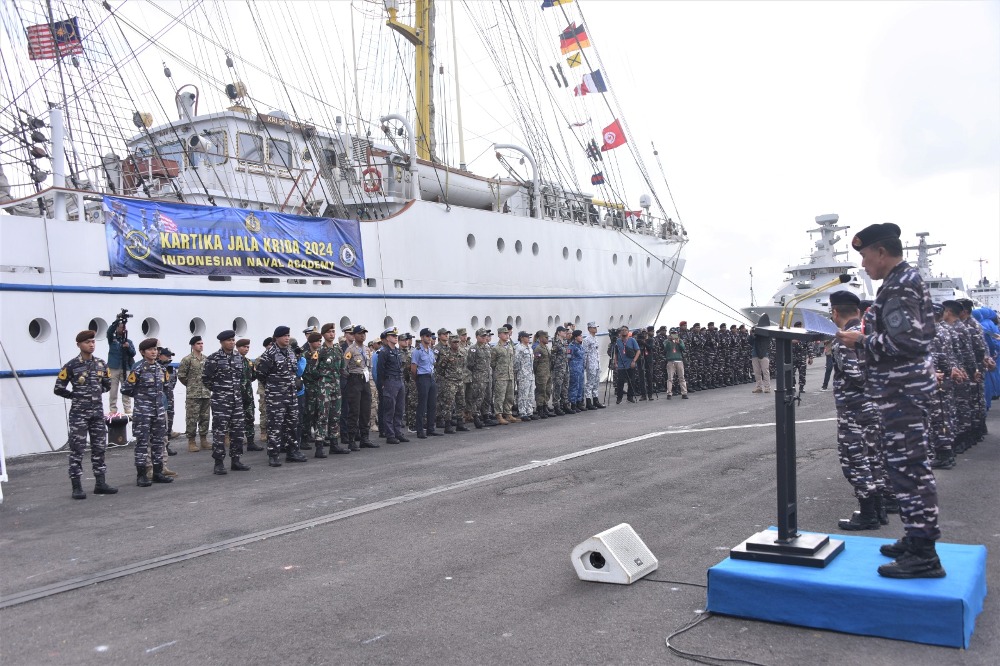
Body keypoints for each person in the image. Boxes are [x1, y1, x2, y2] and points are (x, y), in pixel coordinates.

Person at [836, 222, 944, 578]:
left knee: (910, 470)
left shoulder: (898, 286)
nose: (864, 265)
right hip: (903, 389)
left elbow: (905, 343)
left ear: (881, 252)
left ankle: (924, 553)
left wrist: (859, 342)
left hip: (903, 391)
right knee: (903, 468)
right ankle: (916, 538)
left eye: (866, 257)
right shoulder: (903, 282)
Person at [829, 290, 882, 530]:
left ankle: (868, 514)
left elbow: (856, 375)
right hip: (873, 408)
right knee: (873, 458)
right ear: (858, 311)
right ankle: (879, 511)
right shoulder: (867, 334)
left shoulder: (844, 338)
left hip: (854, 411)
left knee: (854, 460)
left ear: (835, 312)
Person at [54, 330, 117, 499]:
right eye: (87, 342)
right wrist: (75, 396)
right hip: (79, 415)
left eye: (93, 341)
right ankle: (77, 486)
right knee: (77, 449)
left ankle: (100, 483)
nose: (91, 344)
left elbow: (107, 385)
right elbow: (58, 388)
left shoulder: (101, 364)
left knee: (99, 448)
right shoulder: (71, 366)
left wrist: (94, 395)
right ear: (79, 345)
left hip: (96, 413)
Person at [122, 338, 174, 487]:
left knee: (158, 443)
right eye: (150, 350)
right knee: (142, 444)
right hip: (143, 413)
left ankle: (157, 473)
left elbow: (165, 387)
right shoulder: (138, 369)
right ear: (143, 352)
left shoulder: (161, 369)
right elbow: (126, 388)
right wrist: (141, 398)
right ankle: (142, 475)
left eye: (155, 349)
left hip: (158, 412)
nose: (154, 352)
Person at [256, 326, 308, 466]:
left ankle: (292, 451)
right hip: (276, 396)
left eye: (288, 335)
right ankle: (273, 454)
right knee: (275, 425)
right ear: (277, 338)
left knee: (293, 423)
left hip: (291, 394)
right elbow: (261, 374)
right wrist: (275, 386)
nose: (287, 338)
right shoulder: (269, 354)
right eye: (284, 336)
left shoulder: (291, 352)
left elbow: (294, 370)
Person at [202, 330, 251, 475]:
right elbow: (206, 379)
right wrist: (220, 390)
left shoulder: (238, 357)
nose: (232, 342)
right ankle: (219, 462)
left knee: (237, 431)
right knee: (219, 432)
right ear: (222, 342)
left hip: (237, 400)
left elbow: (241, 377)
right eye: (229, 340)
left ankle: (236, 460)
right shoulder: (213, 359)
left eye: (233, 340)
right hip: (221, 402)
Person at [342, 325, 376, 449]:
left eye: (364, 333)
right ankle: (351, 440)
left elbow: (369, 366)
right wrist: (350, 378)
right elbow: (343, 367)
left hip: (365, 380)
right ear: (355, 335)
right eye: (360, 333)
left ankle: (364, 438)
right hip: (354, 380)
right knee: (354, 411)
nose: (363, 335)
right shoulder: (350, 350)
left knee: (365, 410)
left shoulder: (367, 349)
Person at [178, 335, 211, 452]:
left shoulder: (206, 359)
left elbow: (209, 375)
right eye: (198, 344)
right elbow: (181, 375)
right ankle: (191, 441)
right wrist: (191, 384)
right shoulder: (187, 359)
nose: (201, 345)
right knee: (192, 418)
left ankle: (204, 440)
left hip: (206, 392)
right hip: (193, 393)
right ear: (193, 346)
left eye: (202, 343)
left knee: (205, 417)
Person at [375, 328, 408, 444]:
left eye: (396, 335)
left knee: (399, 408)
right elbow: (380, 371)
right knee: (390, 409)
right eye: (393, 335)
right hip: (390, 382)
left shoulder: (397, 351)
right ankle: (390, 434)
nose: (395, 337)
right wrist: (382, 385)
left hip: (399, 381)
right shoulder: (384, 352)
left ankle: (398, 432)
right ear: (387, 338)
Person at [319, 323, 347, 454]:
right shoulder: (320, 351)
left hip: (336, 385)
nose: (332, 334)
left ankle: (334, 444)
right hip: (325, 386)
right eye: (329, 332)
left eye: (333, 331)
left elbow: (342, 367)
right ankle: (319, 446)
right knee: (323, 415)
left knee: (335, 415)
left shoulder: (338, 349)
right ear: (324, 334)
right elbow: (313, 369)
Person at [436, 333, 470, 431]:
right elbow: (440, 369)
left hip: (459, 381)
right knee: (448, 404)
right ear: (450, 343)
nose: (456, 344)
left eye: (458, 342)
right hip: (450, 382)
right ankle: (448, 424)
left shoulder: (462, 353)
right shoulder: (446, 355)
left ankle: (460, 423)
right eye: (454, 342)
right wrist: (448, 377)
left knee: (461, 403)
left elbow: (464, 366)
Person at [411, 327, 441, 438]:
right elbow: (413, 368)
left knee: (432, 404)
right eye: (427, 336)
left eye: (430, 336)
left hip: (431, 377)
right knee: (422, 405)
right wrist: (417, 379)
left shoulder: (431, 351)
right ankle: (420, 430)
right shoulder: (417, 351)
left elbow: (433, 364)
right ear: (422, 337)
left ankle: (430, 428)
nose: (430, 338)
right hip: (422, 377)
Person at [236, 339, 262, 451]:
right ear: (238, 347)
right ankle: (236, 442)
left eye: (248, 347)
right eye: (244, 347)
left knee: (249, 417)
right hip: (237, 395)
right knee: (236, 420)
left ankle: (251, 442)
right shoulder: (233, 360)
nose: (246, 349)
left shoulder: (247, 361)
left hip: (248, 395)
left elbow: (253, 376)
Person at [107, 319, 136, 414]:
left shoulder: (129, 341)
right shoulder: (112, 339)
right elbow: (109, 332)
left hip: (126, 367)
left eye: (124, 327)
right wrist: (116, 321)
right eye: (120, 327)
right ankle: (113, 409)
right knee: (113, 390)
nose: (123, 329)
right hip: (114, 367)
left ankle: (127, 408)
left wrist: (128, 347)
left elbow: (133, 353)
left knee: (126, 389)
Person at [466, 328, 494, 428]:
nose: (484, 338)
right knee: (478, 397)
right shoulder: (473, 348)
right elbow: (470, 364)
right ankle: (476, 416)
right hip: (479, 377)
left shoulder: (487, 347)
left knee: (487, 396)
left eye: (485, 336)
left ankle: (486, 415)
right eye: (482, 336)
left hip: (487, 375)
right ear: (477, 337)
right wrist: (478, 372)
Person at [491, 327, 518, 423]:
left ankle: (508, 414)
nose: (507, 335)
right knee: (500, 397)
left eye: (507, 333)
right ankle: (499, 415)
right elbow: (492, 363)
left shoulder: (510, 346)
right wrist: (499, 371)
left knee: (509, 396)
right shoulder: (496, 348)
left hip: (510, 375)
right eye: (504, 333)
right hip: (501, 376)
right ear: (499, 335)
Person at [610, 326, 640, 403]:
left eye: (625, 330)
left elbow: (638, 351)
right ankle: (619, 397)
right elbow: (616, 353)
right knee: (620, 382)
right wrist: (615, 362)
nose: (624, 331)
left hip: (630, 363)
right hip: (621, 364)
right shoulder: (618, 341)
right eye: (622, 330)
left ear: (628, 331)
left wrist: (634, 361)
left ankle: (630, 397)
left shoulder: (632, 340)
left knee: (631, 381)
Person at [513, 331, 537, 420]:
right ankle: (523, 413)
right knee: (523, 394)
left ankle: (529, 411)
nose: (528, 338)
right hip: (523, 375)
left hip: (530, 374)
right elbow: (516, 362)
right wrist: (518, 373)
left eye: (529, 337)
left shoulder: (529, 348)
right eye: (527, 337)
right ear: (522, 338)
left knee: (530, 394)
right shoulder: (519, 348)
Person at [582, 322, 605, 409]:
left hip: (597, 363)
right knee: (590, 383)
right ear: (589, 328)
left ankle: (596, 400)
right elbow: (585, 353)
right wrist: (584, 365)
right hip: (591, 364)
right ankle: (588, 401)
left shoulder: (595, 338)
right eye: (594, 327)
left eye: (596, 327)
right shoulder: (587, 339)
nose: (596, 329)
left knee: (596, 383)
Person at [532, 330, 553, 418]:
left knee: (547, 390)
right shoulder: (538, 348)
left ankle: (545, 406)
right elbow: (536, 362)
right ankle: (540, 408)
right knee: (541, 391)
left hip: (548, 372)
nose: (547, 339)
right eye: (546, 337)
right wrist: (537, 372)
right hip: (541, 373)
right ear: (541, 338)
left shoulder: (546, 347)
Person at [663, 328, 689, 400]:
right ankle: (669, 393)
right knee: (670, 378)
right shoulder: (666, 341)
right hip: (670, 361)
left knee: (682, 377)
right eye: (672, 333)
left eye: (675, 333)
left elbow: (683, 348)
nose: (673, 335)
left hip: (679, 361)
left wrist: (678, 342)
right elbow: (665, 349)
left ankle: (684, 393)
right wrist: (669, 340)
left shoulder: (680, 340)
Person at [550, 326, 570, 415]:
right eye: (563, 331)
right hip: (558, 368)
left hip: (565, 367)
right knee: (557, 387)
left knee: (565, 386)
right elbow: (553, 357)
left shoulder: (565, 342)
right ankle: (556, 405)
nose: (565, 333)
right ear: (558, 332)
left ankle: (564, 404)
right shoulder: (556, 343)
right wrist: (555, 368)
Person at [791, 322, 814, 393]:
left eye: (800, 326)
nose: (799, 328)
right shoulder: (791, 335)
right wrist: (791, 341)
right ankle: (792, 386)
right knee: (791, 373)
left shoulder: (805, 335)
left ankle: (801, 387)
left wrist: (811, 357)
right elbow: (785, 343)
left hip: (802, 357)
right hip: (792, 357)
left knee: (802, 373)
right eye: (798, 327)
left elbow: (809, 346)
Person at [567, 329, 586, 412]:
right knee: (574, 386)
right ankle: (573, 404)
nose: (581, 337)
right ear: (575, 337)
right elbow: (568, 358)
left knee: (580, 386)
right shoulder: (571, 346)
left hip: (581, 369)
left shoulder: (580, 346)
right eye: (580, 336)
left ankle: (579, 402)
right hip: (574, 369)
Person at [750, 328, 772, 394]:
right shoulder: (754, 337)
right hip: (755, 355)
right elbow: (750, 342)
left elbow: (768, 340)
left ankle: (767, 387)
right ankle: (758, 387)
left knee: (765, 371)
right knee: (757, 372)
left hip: (764, 355)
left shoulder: (765, 336)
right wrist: (751, 334)